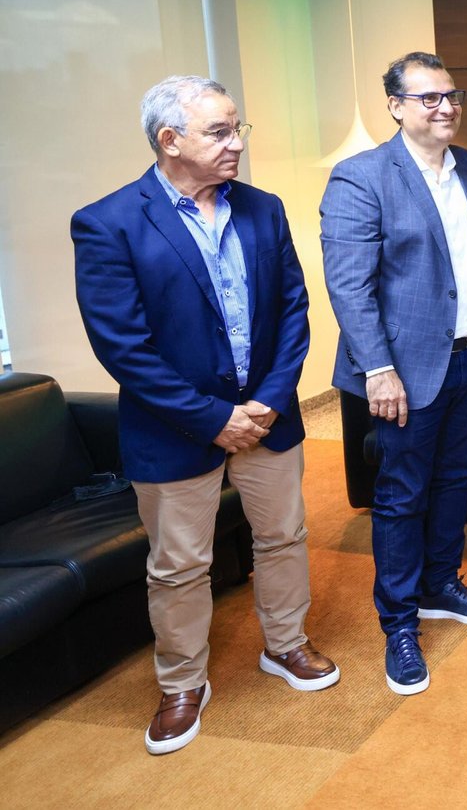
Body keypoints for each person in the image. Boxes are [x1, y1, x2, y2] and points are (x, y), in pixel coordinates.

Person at [72, 75, 336, 756]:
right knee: (179, 565)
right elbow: (123, 347)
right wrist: (214, 417)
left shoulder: (263, 208)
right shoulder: (108, 222)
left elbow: (293, 310)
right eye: (219, 131)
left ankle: (285, 643)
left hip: (268, 417)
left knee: (283, 537)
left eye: (236, 128)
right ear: (170, 140)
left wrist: (270, 399)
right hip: (174, 427)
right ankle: (182, 682)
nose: (235, 143)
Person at [321, 52, 467, 696]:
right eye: (429, 97)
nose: (446, 107)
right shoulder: (361, 177)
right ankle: (400, 622)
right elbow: (349, 286)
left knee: (457, 480)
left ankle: (441, 584)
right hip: (404, 369)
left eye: (452, 95)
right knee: (402, 494)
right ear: (395, 106)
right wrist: (378, 369)